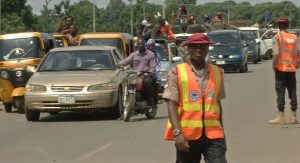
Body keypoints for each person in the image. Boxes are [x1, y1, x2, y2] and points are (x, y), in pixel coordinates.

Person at [163, 33, 227, 163]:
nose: (198, 49)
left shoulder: (217, 72)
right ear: (188, 49)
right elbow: (171, 104)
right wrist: (178, 133)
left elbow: (217, 104)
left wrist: (222, 132)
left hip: (213, 135)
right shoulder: (177, 71)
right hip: (188, 135)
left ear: (207, 48)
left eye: (202, 46)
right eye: (194, 46)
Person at [269, 17, 300, 125]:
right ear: (288, 25)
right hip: (291, 68)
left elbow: (276, 53)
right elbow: (298, 52)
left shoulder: (277, 37)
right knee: (292, 91)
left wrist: (274, 65)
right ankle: (293, 117)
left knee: (280, 91)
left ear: (278, 26)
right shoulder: (295, 37)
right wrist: (297, 63)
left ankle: (280, 117)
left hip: (281, 68)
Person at [118, 38, 157, 107]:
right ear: (137, 46)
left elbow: (153, 67)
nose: (140, 45)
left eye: (142, 43)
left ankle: (151, 102)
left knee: (147, 82)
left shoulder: (150, 54)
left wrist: (146, 74)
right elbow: (126, 61)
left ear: (145, 45)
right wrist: (119, 64)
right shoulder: (134, 55)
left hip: (147, 75)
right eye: (138, 44)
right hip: (135, 75)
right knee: (126, 82)